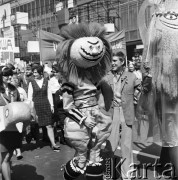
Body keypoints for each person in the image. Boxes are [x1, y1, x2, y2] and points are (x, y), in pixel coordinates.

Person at [101, 51, 141, 180]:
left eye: (115, 61)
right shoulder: (105, 77)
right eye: (111, 61)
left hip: (126, 113)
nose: (112, 63)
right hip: (111, 113)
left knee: (127, 146)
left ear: (122, 62)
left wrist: (135, 98)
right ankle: (108, 173)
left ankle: (127, 175)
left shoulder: (132, 76)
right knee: (109, 146)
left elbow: (142, 90)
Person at [27, 65, 60, 151]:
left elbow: (49, 94)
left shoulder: (46, 81)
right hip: (36, 105)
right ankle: (38, 142)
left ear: (41, 73)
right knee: (36, 125)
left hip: (45, 104)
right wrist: (31, 108)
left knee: (49, 125)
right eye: (33, 72)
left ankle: (53, 143)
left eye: (35, 72)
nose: (34, 74)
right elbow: (29, 97)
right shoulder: (31, 82)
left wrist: (51, 105)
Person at [0, 67, 22, 180]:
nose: (9, 77)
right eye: (5, 75)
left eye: (10, 75)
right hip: (1, 127)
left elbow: (19, 105)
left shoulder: (14, 89)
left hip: (13, 127)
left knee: (7, 156)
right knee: (5, 157)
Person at [11, 74, 28, 160]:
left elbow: (26, 100)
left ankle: (17, 149)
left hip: (19, 113)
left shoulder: (21, 90)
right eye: (13, 80)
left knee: (18, 131)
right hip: (11, 114)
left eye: (16, 80)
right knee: (12, 132)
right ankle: (16, 150)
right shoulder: (7, 90)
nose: (15, 81)